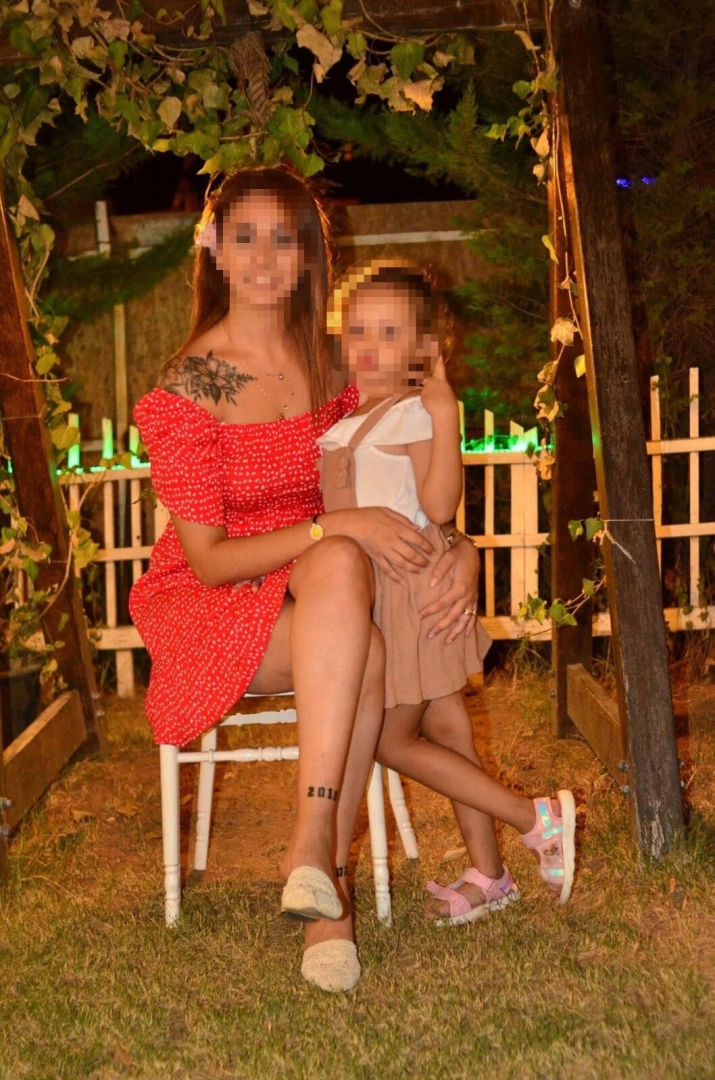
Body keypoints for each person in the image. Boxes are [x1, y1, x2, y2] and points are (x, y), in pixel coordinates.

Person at [129, 169, 482, 993]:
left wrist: (456, 546)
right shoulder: (198, 382)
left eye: (283, 238)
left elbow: (407, 466)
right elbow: (210, 558)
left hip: (322, 588)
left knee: (345, 593)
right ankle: (328, 886)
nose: (263, 259)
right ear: (214, 250)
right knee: (354, 617)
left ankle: (314, 856)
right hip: (212, 599)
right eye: (244, 237)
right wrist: (334, 528)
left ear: (308, 254)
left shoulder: (332, 360)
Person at [318, 260, 576, 925]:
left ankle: (535, 817)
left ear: (424, 347)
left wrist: (444, 415)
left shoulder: (411, 413)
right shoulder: (354, 415)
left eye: (389, 333)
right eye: (358, 330)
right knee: (448, 725)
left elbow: (437, 507)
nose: (369, 346)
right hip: (380, 594)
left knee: (389, 740)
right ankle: (490, 875)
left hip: (411, 595)